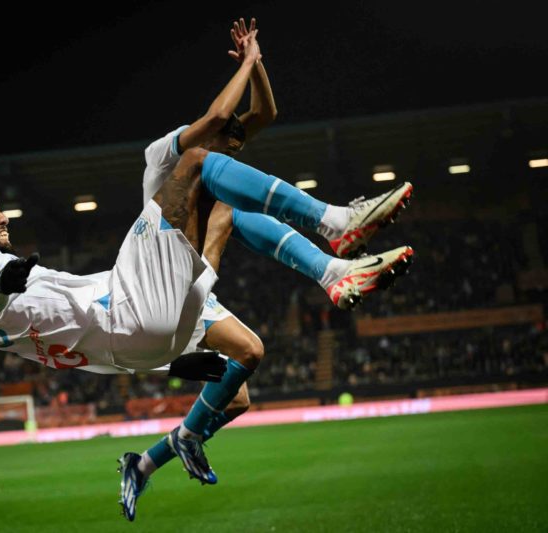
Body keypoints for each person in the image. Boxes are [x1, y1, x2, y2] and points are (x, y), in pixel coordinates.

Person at [118, 19, 413, 520]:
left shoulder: (215, 170)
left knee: (240, 385)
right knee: (230, 205)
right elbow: (215, 116)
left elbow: (267, 112)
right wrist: (248, 62)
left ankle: (145, 462)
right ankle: (332, 244)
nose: (234, 155)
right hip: (155, 282)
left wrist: (260, 65)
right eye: (228, 146)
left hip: (192, 286)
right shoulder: (167, 158)